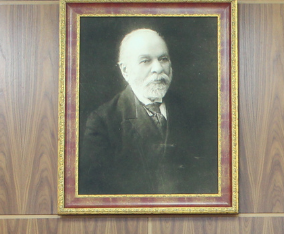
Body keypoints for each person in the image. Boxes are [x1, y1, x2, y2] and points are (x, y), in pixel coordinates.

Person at [79, 27, 217, 196]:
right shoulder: (103, 122)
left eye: (163, 59)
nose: (158, 68)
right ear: (125, 70)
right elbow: (95, 193)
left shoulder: (194, 114)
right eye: (145, 61)